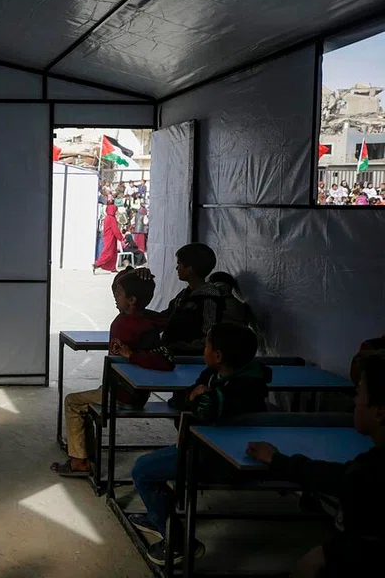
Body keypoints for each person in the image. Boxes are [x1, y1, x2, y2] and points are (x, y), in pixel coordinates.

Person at [130, 323, 269, 566]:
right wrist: (193, 397)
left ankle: (178, 543)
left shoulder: (245, 387)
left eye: (207, 344)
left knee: (142, 469)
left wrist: (196, 399)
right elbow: (179, 399)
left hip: (220, 456)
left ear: (218, 356)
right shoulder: (213, 374)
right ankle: (159, 515)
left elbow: (207, 410)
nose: (203, 349)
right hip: (204, 446)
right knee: (156, 462)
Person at [246, 351, 385, 577]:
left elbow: (339, 478)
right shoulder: (369, 466)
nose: (354, 401)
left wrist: (326, 555)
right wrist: (278, 460)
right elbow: (336, 476)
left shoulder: (369, 473)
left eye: (359, 393)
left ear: (379, 412)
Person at [51, 269, 172, 476]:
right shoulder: (152, 320)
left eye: (118, 294)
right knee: (86, 403)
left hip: (120, 394)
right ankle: (85, 453)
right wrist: (131, 275)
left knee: (73, 402)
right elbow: (164, 357)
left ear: (131, 300)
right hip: (134, 392)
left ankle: (79, 461)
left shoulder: (123, 324)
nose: (114, 297)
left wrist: (131, 355)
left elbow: (164, 362)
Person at [144, 243, 226, 355]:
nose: (176, 268)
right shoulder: (184, 294)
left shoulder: (209, 299)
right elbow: (165, 316)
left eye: (179, 264)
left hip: (190, 360)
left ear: (190, 269)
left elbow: (208, 334)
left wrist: (183, 347)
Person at [93, 204, 122, 274]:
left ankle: (112, 267)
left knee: (113, 253)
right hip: (110, 238)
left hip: (110, 237)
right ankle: (97, 264)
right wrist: (121, 237)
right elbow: (115, 229)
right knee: (108, 252)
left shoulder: (108, 217)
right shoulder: (111, 218)